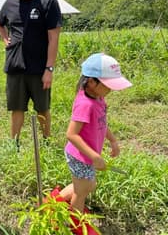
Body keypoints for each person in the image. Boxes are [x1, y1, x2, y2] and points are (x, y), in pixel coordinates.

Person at [58, 53, 132, 215]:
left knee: (88, 185)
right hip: (80, 156)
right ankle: (77, 224)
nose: (110, 89)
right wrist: (94, 156)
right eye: (107, 85)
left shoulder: (98, 98)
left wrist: (112, 140)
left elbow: (102, 122)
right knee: (82, 191)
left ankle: (56, 200)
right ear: (91, 82)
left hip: (88, 155)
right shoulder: (85, 104)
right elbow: (71, 134)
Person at [0, 0, 62, 141]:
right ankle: (14, 144)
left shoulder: (47, 2)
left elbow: (53, 38)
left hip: (39, 67)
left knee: (42, 108)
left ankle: (47, 140)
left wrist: (49, 69)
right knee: (16, 109)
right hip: (15, 66)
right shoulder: (9, 4)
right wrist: (4, 38)